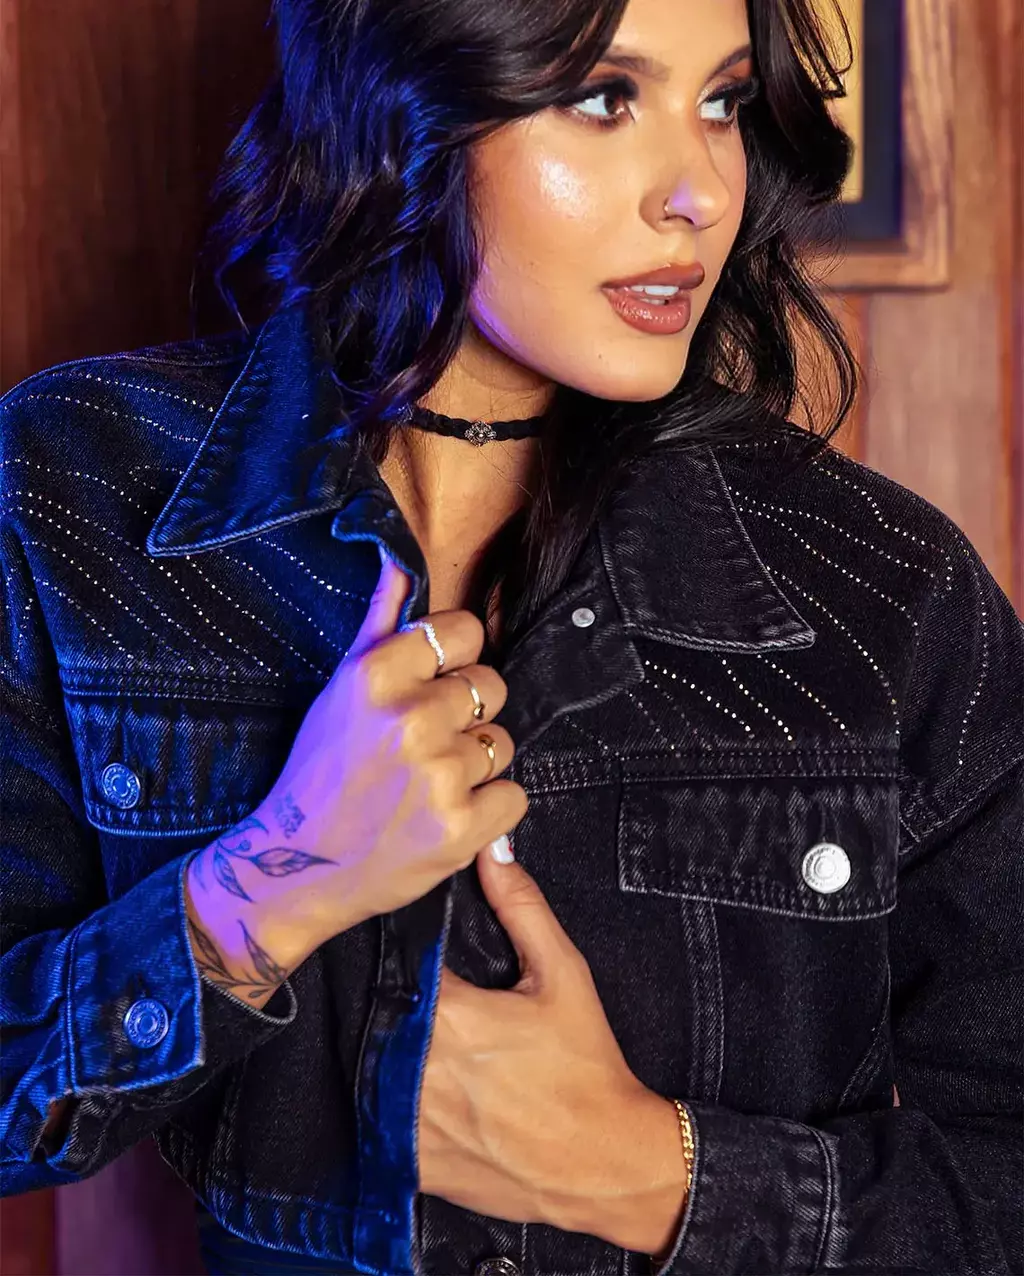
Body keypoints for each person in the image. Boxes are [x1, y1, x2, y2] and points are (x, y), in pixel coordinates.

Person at [2, 0, 1021, 1272]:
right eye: (602, 98)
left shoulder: (880, 590)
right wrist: (267, 883)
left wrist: (652, 1174)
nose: (701, 193)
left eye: (721, 102)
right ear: (402, 113)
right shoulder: (79, 491)